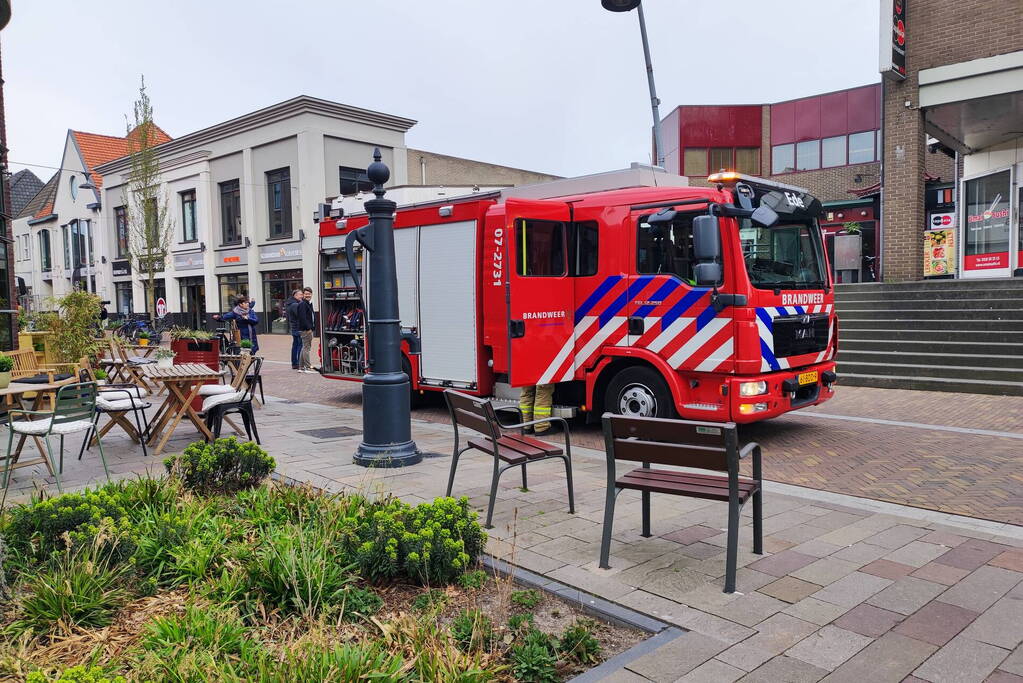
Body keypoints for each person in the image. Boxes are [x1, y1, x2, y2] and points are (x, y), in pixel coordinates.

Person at [297, 287, 316, 373]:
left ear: (311, 294)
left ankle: (301, 367)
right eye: (306, 294)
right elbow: (302, 318)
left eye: (309, 293)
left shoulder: (308, 303)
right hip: (306, 330)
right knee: (307, 348)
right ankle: (308, 367)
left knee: (304, 347)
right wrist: (308, 328)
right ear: (303, 295)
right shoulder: (303, 304)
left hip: (307, 329)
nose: (308, 295)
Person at [285, 289, 304, 370]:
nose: (302, 296)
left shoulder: (290, 303)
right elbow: (300, 316)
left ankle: (295, 363)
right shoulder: (295, 304)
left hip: (294, 328)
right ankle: (299, 363)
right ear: (295, 295)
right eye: (300, 294)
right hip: (298, 328)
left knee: (295, 345)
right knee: (300, 345)